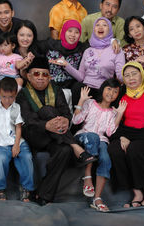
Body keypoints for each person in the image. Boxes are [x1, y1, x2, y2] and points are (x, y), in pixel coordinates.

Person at [16, 57, 96, 205]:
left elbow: (65, 112)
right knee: (47, 110)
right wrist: (46, 125)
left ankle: (43, 195)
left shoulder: (56, 90)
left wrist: (65, 120)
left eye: (45, 74)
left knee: (64, 151)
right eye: (36, 74)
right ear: (28, 75)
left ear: (50, 76)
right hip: (35, 135)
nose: (41, 78)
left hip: (57, 137)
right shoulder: (23, 94)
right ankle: (75, 145)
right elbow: (28, 119)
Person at [107, 62, 144, 207]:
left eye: (134, 74)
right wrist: (123, 136)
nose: (131, 78)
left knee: (135, 150)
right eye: (127, 75)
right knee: (114, 149)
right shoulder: (121, 96)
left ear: (142, 75)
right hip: (126, 132)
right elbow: (116, 121)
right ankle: (136, 191)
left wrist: (133, 138)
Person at [72, 79, 127, 212]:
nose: (111, 93)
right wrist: (81, 100)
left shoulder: (112, 112)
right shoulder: (91, 103)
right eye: (109, 89)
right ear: (102, 89)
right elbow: (76, 120)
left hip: (101, 140)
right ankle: (87, 177)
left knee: (105, 158)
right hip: (84, 135)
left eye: (115, 92)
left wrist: (119, 114)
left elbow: (109, 132)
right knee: (93, 137)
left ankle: (97, 198)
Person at [51, 17, 125, 106]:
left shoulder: (116, 50)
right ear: (94, 29)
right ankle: (77, 118)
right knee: (77, 87)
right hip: (86, 89)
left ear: (109, 30)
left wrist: (130, 74)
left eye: (104, 25)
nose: (100, 27)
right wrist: (66, 65)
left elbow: (121, 76)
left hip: (103, 90)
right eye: (97, 25)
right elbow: (81, 77)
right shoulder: (88, 50)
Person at [0, 77, 34, 201]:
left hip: (18, 142)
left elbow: (18, 128)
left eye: (11, 97)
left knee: (27, 157)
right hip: (1, 144)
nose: (7, 100)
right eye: (4, 97)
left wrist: (16, 145)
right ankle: (0, 190)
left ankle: (26, 188)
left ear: (15, 94)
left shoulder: (17, 108)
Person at [0, 32, 28, 106]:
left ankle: (15, 96)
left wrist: (26, 59)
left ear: (13, 46)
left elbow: (19, 66)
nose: (2, 48)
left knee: (20, 80)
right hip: (0, 76)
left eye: (5, 45)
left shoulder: (17, 56)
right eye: (0, 45)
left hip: (13, 77)